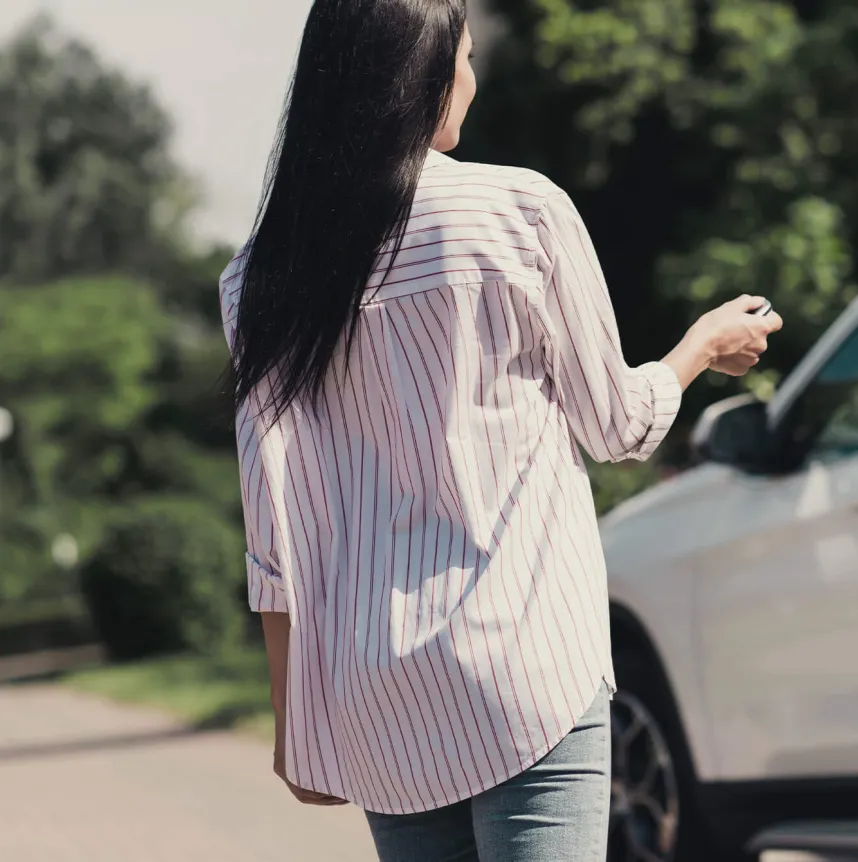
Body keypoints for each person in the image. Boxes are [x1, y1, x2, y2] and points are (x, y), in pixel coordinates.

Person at [220, 1, 782, 860]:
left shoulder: (259, 278)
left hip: (378, 693)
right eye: (467, 58)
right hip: (528, 664)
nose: (473, 82)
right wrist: (700, 347)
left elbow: (273, 531)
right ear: (426, 72)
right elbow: (620, 427)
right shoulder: (519, 211)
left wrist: (294, 718)